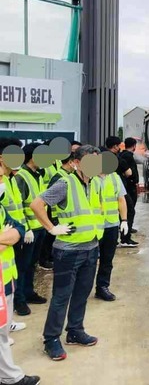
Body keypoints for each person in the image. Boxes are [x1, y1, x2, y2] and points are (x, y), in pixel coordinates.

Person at [30, 145, 102, 361]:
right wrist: (51, 228)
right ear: (76, 163)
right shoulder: (65, 183)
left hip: (91, 248)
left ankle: (75, 330)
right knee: (61, 297)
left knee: (81, 294)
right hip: (68, 252)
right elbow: (37, 204)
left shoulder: (96, 183)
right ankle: (51, 339)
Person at [0, 198, 41, 385]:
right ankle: (11, 377)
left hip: (6, 281)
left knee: (2, 332)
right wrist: (6, 236)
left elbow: (18, 229)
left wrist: (11, 235)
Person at [13, 142, 47, 316]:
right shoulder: (21, 177)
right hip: (28, 231)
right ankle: (18, 300)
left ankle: (28, 292)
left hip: (39, 228)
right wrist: (25, 228)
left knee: (32, 264)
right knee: (22, 266)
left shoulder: (38, 175)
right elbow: (18, 206)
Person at [0, 138, 30, 332]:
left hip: (13, 240)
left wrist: (20, 231)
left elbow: (15, 217)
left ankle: (7, 323)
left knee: (14, 280)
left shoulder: (11, 179)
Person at [39, 140, 82, 271]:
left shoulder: (64, 172)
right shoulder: (60, 176)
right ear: (70, 162)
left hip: (55, 211)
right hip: (53, 211)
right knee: (49, 237)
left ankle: (49, 258)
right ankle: (45, 259)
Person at [92, 172, 129, 301]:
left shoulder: (115, 177)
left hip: (111, 225)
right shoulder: (89, 176)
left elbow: (121, 199)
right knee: (89, 260)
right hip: (93, 226)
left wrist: (124, 220)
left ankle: (102, 287)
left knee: (107, 259)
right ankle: (82, 288)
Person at [105, 136, 137, 248]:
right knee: (129, 210)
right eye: (119, 145)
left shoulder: (101, 156)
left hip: (103, 191)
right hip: (118, 188)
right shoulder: (117, 158)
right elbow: (128, 173)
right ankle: (125, 238)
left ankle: (112, 239)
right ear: (115, 146)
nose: (120, 147)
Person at [120, 138, 139, 235]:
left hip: (127, 185)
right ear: (134, 146)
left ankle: (126, 227)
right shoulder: (128, 156)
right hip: (130, 186)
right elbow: (130, 172)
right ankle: (127, 229)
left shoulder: (122, 155)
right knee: (130, 208)